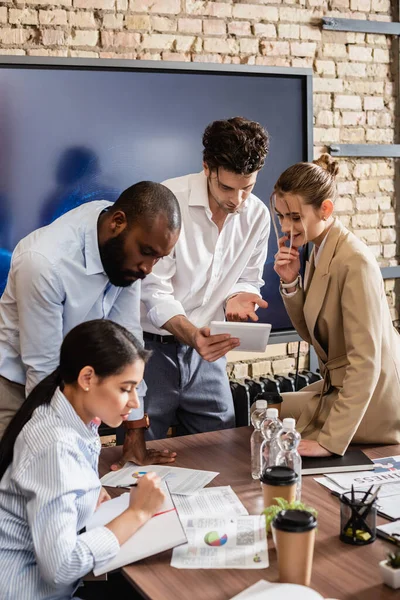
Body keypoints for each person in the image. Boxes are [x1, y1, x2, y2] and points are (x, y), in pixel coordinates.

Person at [115, 117, 270, 466]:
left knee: (223, 456)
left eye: (248, 187)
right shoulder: (168, 204)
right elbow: (153, 290)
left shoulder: (257, 215)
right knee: (136, 465)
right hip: (149, 352)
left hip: (209, 357)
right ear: (207, 167)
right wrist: (191, 335)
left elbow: (248, 277)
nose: (239, 200)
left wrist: (238, 296)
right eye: (229, 188)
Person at [0, 181, 181, 465]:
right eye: (147, 252)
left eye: (158, 258)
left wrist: (135, 435)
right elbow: (43, 371)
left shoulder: (122, 246)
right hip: (17, 384)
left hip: (73, 383)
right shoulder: (44, 263)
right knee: (20, 485)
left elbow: (128, 343)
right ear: (117, 223)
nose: (148, 269)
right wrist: (67, 466)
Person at [0, 319, 165, 600]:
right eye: (126, 388)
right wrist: (137, 513)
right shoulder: (55, 446)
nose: (135, 402)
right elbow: (62, 566)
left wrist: (88, 494)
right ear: (87, 378)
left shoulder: (72, 419)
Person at [272, 154, 400, 457]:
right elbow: (311, 332)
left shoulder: (354, 261)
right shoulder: (320, 250)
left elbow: (366, 361)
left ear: (325, 209)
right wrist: (291, 282)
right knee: (268, 411)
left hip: (377, 399)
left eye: (294, 217)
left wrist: (328, 442)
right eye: (281, 216)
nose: (286, 227)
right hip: (339, 385)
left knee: (279, 425)